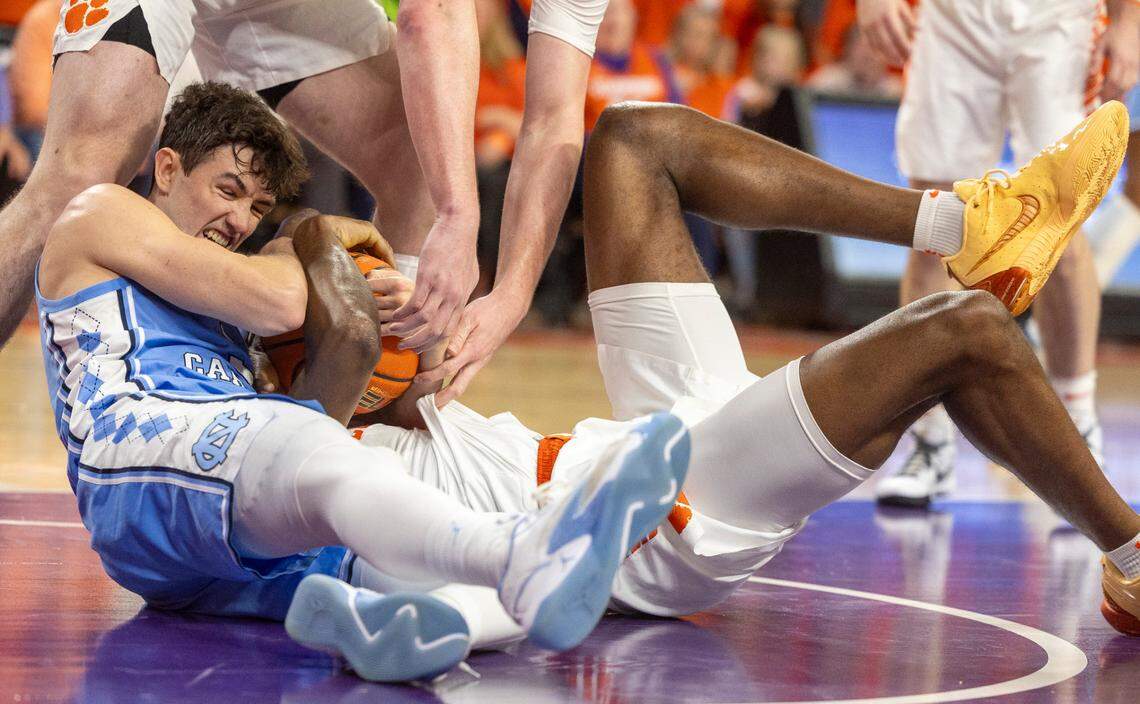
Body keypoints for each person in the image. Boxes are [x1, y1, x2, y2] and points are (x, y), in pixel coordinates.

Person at [282, 99, 1140, 674]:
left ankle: (964, 223)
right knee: (968, 331)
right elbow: (348, 331)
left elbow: (373, 340)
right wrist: (322, 240)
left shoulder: (383, 423)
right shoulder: (314, 441)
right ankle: (1135, 558)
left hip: (640, 444)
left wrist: (388, 288)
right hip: (668, 519)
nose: (386, 328)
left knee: (630, 142)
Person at [34, 82, 688, 683]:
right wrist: (307, 237)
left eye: (259, 208)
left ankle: (391, 628)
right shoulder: (101, 213)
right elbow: (281, 306)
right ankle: (519, 550)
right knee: (330, 456)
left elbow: (318, 410)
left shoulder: (232, 312)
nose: (239, 221)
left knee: (424, 575)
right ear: (169, 167)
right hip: (138, 457)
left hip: (195, 546)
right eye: (227, 190)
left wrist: (398, 326)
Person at [858, 0, 1140, 506]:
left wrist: (1129, 19)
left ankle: (1076, 429)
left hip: (1060, 20)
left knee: (1061, 225)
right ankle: (931, 439)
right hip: (954, 17)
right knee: (934, 228)